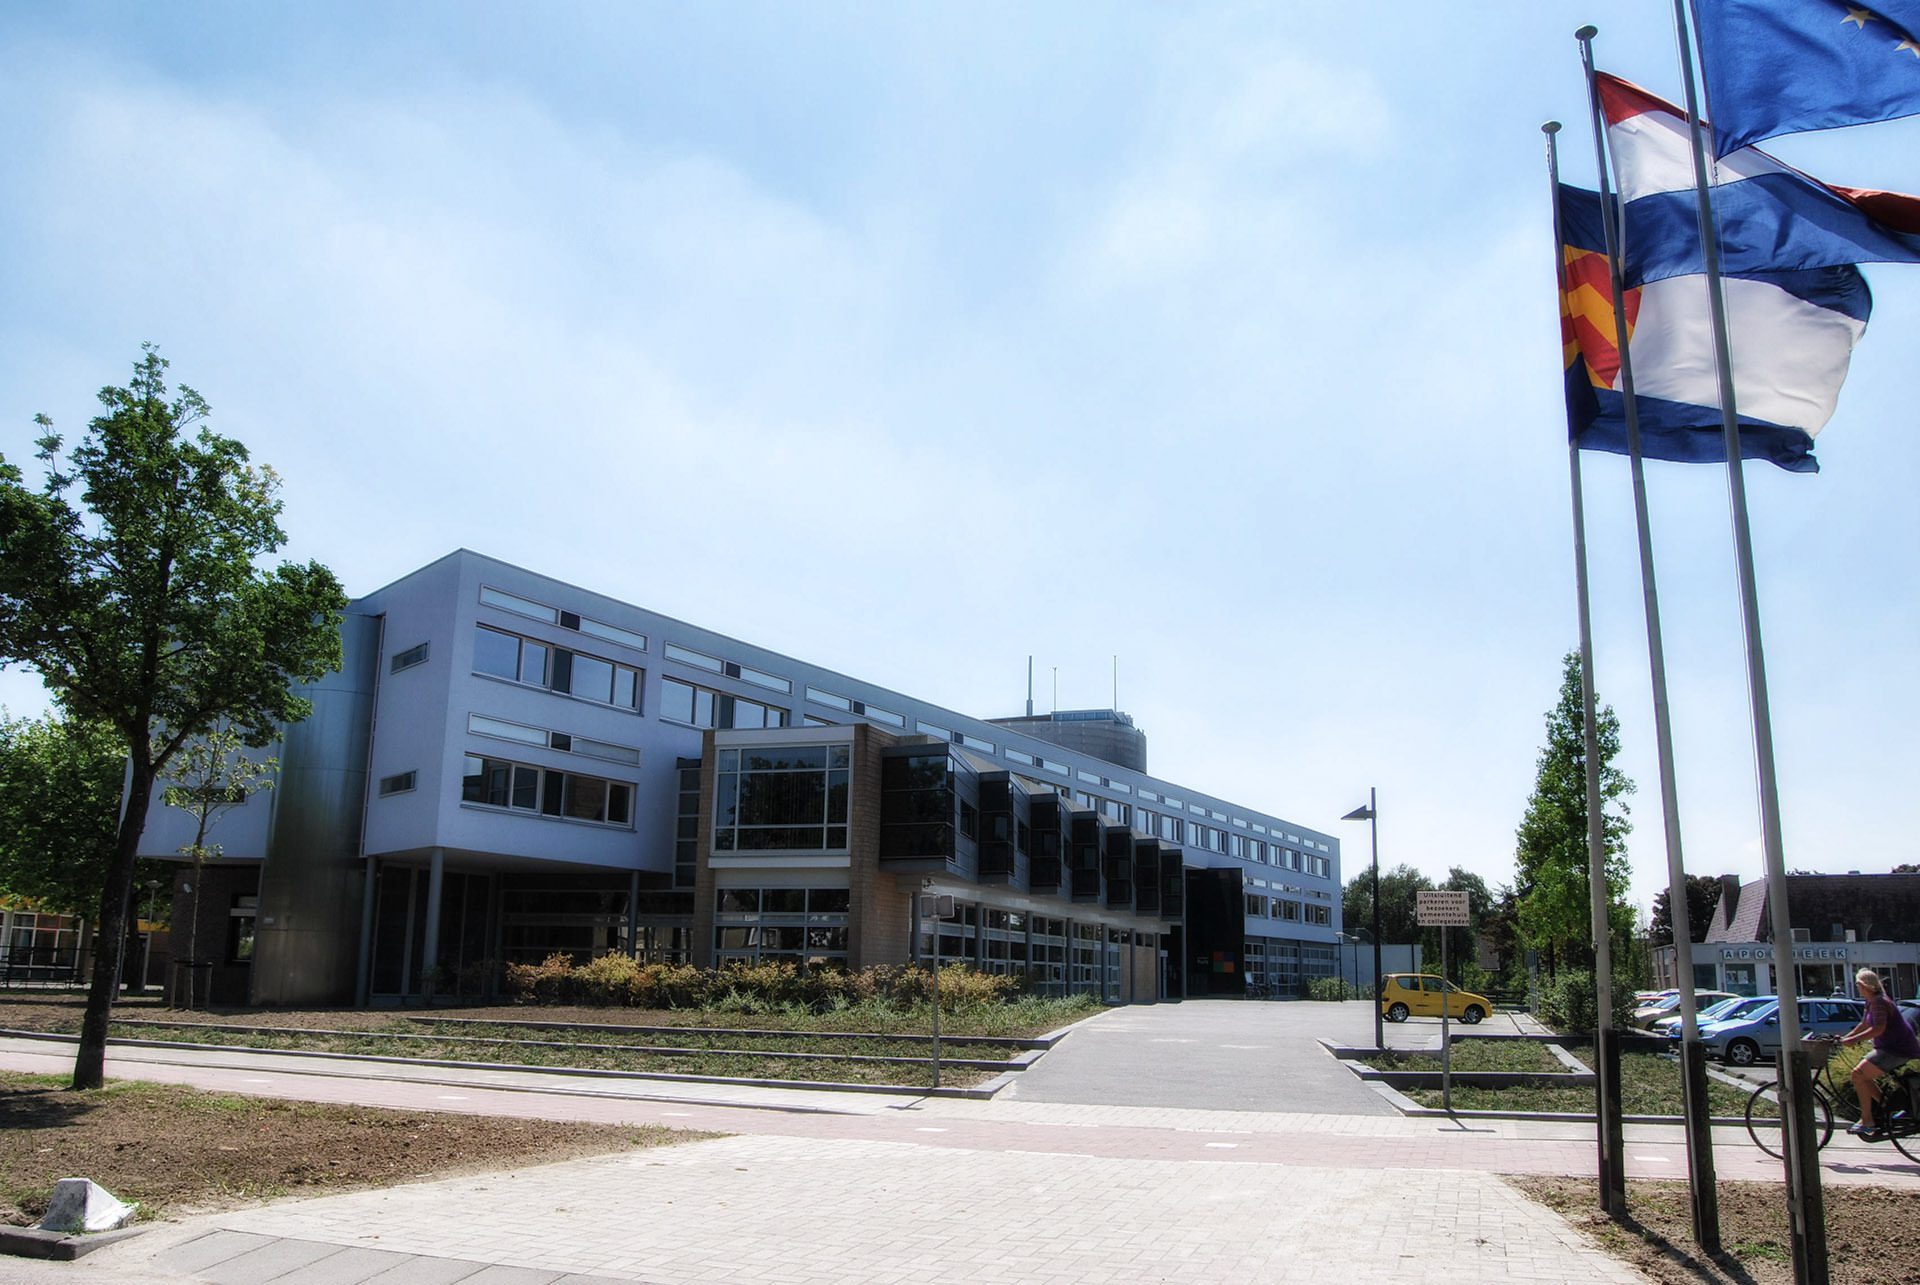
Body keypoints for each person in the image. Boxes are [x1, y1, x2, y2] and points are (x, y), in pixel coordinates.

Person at [1839, 968, 1920, 1136]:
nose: (1857, 988)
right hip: (1888, 1048)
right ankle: (1888, 1108)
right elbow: (1864, 1024)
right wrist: (1845, 1038)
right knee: (1861, 1076)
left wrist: (1854, 1040)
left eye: (1857, 984)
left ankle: (1867, 1120)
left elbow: (1878, 1028)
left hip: (1898, 1049)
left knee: (1858, 1075)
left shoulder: (1879, 1002)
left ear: (1864, 985)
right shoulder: (1871, 1001)